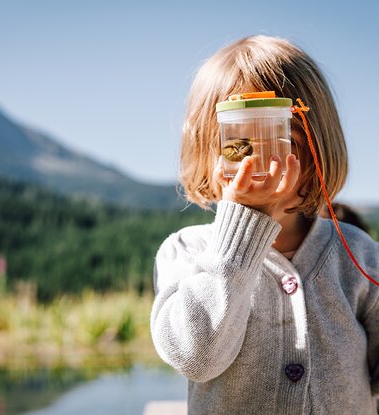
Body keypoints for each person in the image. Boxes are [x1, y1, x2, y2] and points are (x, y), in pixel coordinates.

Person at [150, 36, 379, 414]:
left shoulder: (359, 256)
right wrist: (242, 231)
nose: (254, 167)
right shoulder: (186, 253)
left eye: (279, 142)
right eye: (235, 146)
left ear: (318, 152)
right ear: (207, 156)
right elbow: (196, 357)